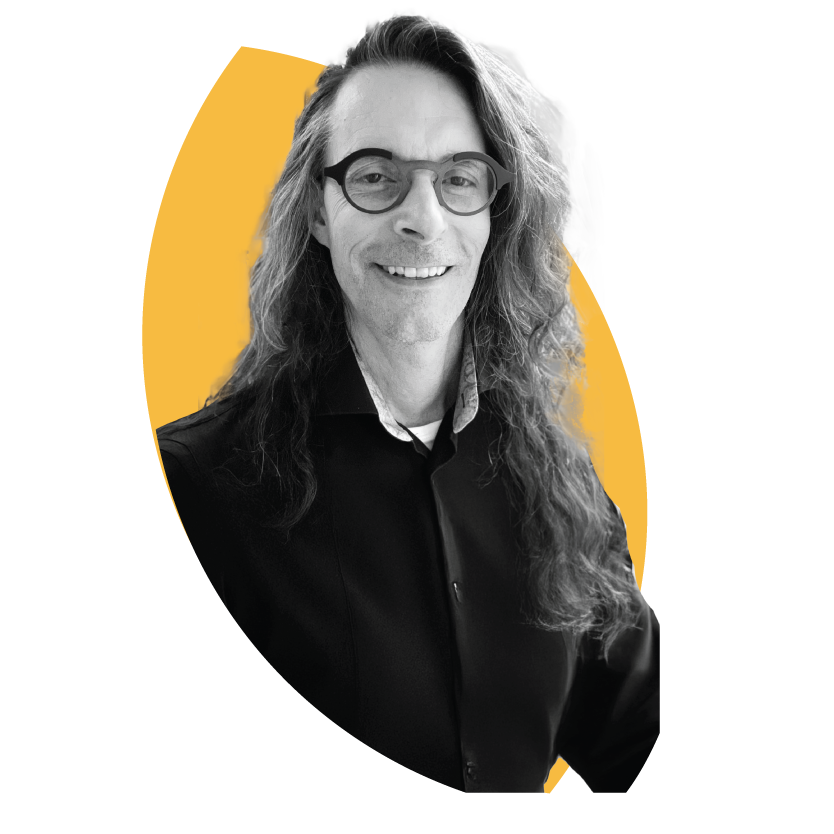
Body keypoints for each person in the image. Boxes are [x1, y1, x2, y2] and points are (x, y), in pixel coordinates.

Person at [156, 12, 658, 793]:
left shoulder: (566, 495)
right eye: (374, 175)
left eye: (459, 178)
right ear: (319, 211)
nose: (421, 219)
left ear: (493, 212)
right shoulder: (195, 488)